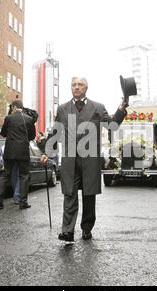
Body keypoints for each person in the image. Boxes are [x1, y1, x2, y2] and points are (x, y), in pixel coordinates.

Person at [41, 77, 128, 243]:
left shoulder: (98, 107)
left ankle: (87, 228)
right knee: (69, 194)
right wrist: (47, 151)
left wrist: (121, 109)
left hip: (90, 159)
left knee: (89, 196)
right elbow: (56, 132)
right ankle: (67, 231)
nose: (76, 87)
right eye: (73, 84)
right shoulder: (62, 108)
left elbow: (113, 125)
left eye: (80, 84)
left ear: (86, 87)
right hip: (70, 159)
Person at [0, 100, 36, 210]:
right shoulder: (29, 119)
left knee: (5, 175)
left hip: (10, 151)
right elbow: (32, 136)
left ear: (13, 107)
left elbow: (3, 134)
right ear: (21, 107)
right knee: (24, 176)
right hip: (23, 151)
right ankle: (23, 202)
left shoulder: (9, 118)